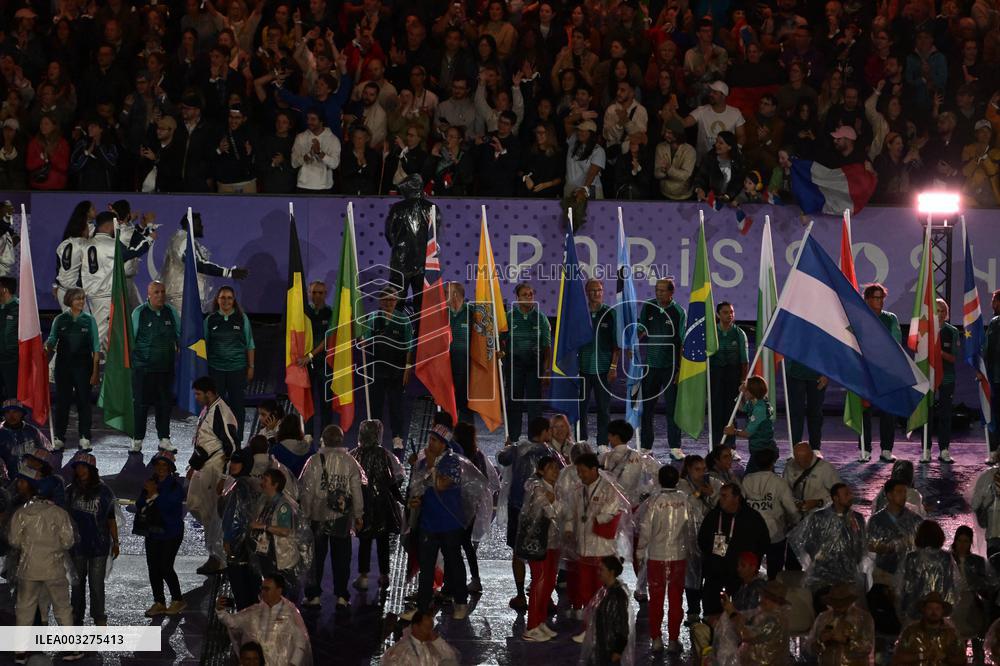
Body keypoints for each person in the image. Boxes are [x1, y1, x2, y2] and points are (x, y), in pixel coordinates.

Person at [403, 424, 486, 622]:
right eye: (429, 439)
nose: (429, 444)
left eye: (434, 440)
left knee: (454, 563)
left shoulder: (452, 463)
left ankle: (461, 602)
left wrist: (430, 464)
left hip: (450, 524)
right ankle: (423, 608)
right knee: (426, 567)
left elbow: (441, 485)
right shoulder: (423, 465)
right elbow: (419, 490)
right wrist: (415, 501)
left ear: (444, 445)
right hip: (428, 524)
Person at [8, 468, 82, 662]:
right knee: (62, 608)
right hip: (54, 568)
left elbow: (14, 540)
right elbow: (68, 541)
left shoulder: (22, 513)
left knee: (24, 609)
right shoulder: (59, 513)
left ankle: (20, 652)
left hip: (28, 569)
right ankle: (70, 649)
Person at [299, 424, 365, 609]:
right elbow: (356, 491)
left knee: (316, 559)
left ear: (323, 440)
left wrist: (305, 514)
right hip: (341, 517)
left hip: (318, 516)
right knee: (342, 558)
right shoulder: (350, 461)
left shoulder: (314, 461)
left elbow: (307, 491)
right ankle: (342, 596)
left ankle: (313, 596)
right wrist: (358, 515)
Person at [564, 452, 631, 625]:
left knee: (601, 589)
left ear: (594, 469)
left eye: (583, 471)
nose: (580, 475)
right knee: (585, 589)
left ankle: (603, 625)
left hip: (603, 548)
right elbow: (570, 512)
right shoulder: (578, 490)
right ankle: (589, 628)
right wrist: (569, 529)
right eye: (578, 471)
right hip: (583, 547)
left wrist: (597, 518)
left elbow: (612, 511)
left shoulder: (609, 489)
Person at [498, 416, 555, 611]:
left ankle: (521, 594)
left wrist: (508, 447)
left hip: (517, 509)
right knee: (539, 554)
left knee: (517, 552)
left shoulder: (517, 449)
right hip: (539, 511)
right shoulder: (549, 453)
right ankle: (543, 595)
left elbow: (501, 458)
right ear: (545, 432)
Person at [188, 375, 238, 576]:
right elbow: (204, 440)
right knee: (195, 506)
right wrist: (193, 465)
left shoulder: (222, 413)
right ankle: (216, 552)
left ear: (209, 393)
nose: (197, 397)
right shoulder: (209, 409)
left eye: (199, 394)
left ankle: (218, 558)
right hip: (204, 466)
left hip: (215, 469)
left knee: (214, 515)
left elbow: (232, 447)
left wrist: (224, 478)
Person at [81, 211, 153, 350]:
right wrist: (149, 239)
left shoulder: (86, 244)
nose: (117, 229)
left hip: (92, 294)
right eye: (115, 226)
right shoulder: (111, 244)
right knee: (98, 334)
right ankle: (62, 365)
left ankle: (108, 365)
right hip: (105, 295)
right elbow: (131, 253)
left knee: (108, 333)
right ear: (109, 226)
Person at [789, 483, 868, 608]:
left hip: (848, 575)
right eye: (846, 494)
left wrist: (851, 561)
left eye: (850, 493)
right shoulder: (819, 517)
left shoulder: (857, 518)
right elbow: (809, 544)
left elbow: (861, 545)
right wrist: (824, 559)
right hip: (823, 575)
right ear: (835, 498)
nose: (850, 496)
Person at [637, 464, 689, 654]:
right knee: (676, 600)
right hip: (678, 557)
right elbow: (691, 529)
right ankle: (674, 640)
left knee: (656, 600)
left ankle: (656, 639)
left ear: (659, 479)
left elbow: (644, 530)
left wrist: (640, 553)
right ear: (677, 480)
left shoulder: (654, 501)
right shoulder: (685, 500)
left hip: (657, 558)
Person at [697, 483, 770, 618]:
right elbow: (702, 540)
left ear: (736, 498)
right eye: (720, 496)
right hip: (716, 574)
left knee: (739, 615)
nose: (721, 499)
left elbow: (763, 542)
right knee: (712, 613)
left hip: (741, 577)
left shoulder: (752, 518)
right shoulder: (714, 516)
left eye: (725, 496)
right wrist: (712, 559)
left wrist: (752, 565)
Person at [352, 420, 406, 593]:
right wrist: (400, 499)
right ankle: (384, 575)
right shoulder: (383, 454)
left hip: (363, 504)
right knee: (383, 541)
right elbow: (391, 480)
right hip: (382, 504)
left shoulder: (355, 455)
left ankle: (364, 576)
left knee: (364, 540)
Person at [160, 212, 250, 315]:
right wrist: (228, 273)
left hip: (187, 296)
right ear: (190, 225)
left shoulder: (187, 240)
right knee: (185, 330)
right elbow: (197, 264)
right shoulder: (183, 240)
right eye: (199, 224)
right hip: (182, 298)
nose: (202, 227)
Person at [65, 452, 118, 626]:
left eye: (84, 466)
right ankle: (76, 614)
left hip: (99, 545)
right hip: (77, 545)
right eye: (77, 466)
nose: (80, 470)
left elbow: (111, 519)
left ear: (91, 469)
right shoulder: (70, 490)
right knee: (77, 583)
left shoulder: (104, 491)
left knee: (96, 585)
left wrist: (116, 542)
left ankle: (99, 616)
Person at [867, 478, 924, 636]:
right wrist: (884, 547)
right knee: (885, 622)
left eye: (905, 492)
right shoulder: (876, 520)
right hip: (884, 575)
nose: (904, 495)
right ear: (889, 495)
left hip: (908, 576)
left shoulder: (915, 520)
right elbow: (869, 545)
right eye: (899, 492)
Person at [217, 573, 313, 666]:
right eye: (262, 588)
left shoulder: (291, 614)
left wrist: (293, 664)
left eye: (267, 589)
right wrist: (221, 611)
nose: (263, 592)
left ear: (279, 591)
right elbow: (233, 622)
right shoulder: (254, 611)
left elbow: (301, 642)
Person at [45, 287, 99, 451]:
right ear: (70, 301)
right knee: (62, 403)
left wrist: (95, 372)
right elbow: (52, 340)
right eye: (77, 299)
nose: (81, 302)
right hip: (64, 367)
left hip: (84, 367)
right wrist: (45, 347)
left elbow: (96, 348)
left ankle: (84, 436)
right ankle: (60, 437)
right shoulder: (60, 320)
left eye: (82, 299)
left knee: (84, 402)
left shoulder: (89, 320)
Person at [362, 287, 414, 453]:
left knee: (395, 406)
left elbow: (409, 347)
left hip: (396, 371)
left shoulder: (403, 320)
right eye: (385, 300)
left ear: (396, 301)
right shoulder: (373, 318)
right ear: (380, 301)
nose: (389, 303)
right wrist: (363, 340)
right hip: (377, 369)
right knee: (375, 406)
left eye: (392, 300)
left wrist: (407, 368)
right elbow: (367, 339)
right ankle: (374, 438)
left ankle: (397, 437)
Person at [135, 451, 186, 617]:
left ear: (170, 468)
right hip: (153, 533)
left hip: (171, 533)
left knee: (165, 566)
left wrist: (153, 494)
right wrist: (149, 494)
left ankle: (177, 599)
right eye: (158, 465)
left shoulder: (175, 486)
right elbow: (140, 503)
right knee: (153, 568)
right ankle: (159, 602)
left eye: (165, 465)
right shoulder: (151, 483)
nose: (161, 468)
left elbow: (168, 506)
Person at [638, 277, 685, 458]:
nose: (658, 293)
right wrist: (631, 341)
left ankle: (675, 447)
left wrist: (680, 369)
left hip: (670, 368)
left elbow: (681, 343)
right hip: (651, 366)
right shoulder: (649, 306)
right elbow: (641, 330)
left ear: (671, 292)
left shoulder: (679, 312)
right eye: (657, 290)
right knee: (647, 408)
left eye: (662, 290)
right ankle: (646, 446)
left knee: (672, 408)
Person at [131, 280, 179, 452]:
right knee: (140, 405)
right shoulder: (139, 312)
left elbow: (180, 337)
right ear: (149, 295)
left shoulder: (171, 312)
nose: (160, 295)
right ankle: (137, 439)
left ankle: (164, 439)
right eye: (156, 292)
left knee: (164, 405)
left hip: (165, 369)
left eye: (162, 291)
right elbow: (131, 340)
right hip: (143, 369)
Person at [452, 420, 499, 595]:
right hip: (472, 507)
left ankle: (457, 582)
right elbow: (488, 480)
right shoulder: (477, 455)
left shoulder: (457, 456)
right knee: (466, 544)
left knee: (456, 545)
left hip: (457, 506)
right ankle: (473, 579)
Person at [502, 283, 552, 442]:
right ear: (517, 298)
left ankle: (535, 439)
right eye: (525, 294)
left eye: (531, 294)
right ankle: (513, 439)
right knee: (514, 402)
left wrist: (547, 371)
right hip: (514, 366)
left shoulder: (540, 317)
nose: (529, 297)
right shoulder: (509, 317)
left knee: (534, 405)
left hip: (534, 367)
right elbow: (501, 343)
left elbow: (547, 347)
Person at [520, 455, 562, 642]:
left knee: (549, 582)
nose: (555, 471)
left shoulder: (553, 489)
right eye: (550, 467)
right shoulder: (538, 489)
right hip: (539, 543)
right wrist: (558, 504)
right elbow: (552, 512)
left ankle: (541, 621)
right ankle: (532, 626)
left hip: (553, 542)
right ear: (541, 471)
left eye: (556, 467)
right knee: (540, 582)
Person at [205, 286, 255, 443]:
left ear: (234, 300)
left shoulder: (242, 319)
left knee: (237, 408)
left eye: (229, 298)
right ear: (217, 300)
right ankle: (217, 439)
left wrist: (251, 367)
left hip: (237, 370)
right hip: (216, 370)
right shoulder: (210, 320)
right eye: (222, 297)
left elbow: (250, 344)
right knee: (216, 408)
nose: (226, 301)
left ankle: (236, 440)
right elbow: (203, 346)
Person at [741, 448, 799, 580]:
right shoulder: (779, 482)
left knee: (751, 571)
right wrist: (796, 522)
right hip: (775, 533)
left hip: (752, 533)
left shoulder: (747, 480)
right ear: (773, 463)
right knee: (775, 573)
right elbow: (791, 509)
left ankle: (750, 596)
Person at [384, 174, 441, 305]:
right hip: (425, 261)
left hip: (400, 260)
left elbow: (389, 232)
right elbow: (435, 235)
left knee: (396, 301)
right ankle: (419, 326)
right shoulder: (432, 208)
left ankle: (395, 326)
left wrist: (399, 247)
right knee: (422, 304)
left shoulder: (397, 208)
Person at [860, 283, 901, 463]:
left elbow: (895, 344)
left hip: (886, 373)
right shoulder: (858, 318)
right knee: (864, 412)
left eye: (881, 298)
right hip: (865, 372)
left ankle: (886, 449)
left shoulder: (891, 318)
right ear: (867, 299)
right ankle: (865, 449)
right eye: (876, 298)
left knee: (888, 413)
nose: (880, 301)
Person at [680, 454, 723, 624]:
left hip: (716, 534)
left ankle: (711, 610)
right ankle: (693, 611)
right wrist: (700, 492)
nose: (701, 473)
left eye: (704, 469)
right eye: (697, 469)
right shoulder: (682, 484)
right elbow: (685, 502)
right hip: (691, 535)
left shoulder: (714, 482)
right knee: (693, 575)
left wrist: (711, 494)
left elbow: (722, 501)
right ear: (689, 469)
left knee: (715, 573)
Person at [578, 279, 619, 448]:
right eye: (593, 290)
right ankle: (581, 441)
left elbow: (617, 345)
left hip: (603, 370)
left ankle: (602, 444)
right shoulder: (579, 313)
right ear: (586, 293)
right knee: (581, 408)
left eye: (599, 290)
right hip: (583, 369)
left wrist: (613, 367)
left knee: (604, 409)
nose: (596, 293)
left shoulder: (610, 313)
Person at [896, 520, 961, 624]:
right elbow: (950, 586)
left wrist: (904, 608)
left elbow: (906, 586)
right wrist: (948, 608)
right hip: (939, 610)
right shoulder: (946, 558)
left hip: (915, 609)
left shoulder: (912, 558)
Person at [221, 448, 261, 611]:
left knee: (240, 585)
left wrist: (228, 539)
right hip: (249, 543)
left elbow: (234, 517)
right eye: (232, 461)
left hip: (238, 545)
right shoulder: (250, 483)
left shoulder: (240, 486)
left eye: (237, 462)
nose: (232, 465)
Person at [720, 579, 792, 665]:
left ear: (777, 602)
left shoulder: (774, 620)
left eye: (767, 598)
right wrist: (731, 610)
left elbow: (746, 635)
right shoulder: (768, 615)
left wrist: (732, 613)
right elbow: (747, 623)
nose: (762, 600)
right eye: (764, 596)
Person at [578, 555, 632, 663]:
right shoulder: (605, 591)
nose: (598, 572)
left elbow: (622, 626)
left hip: (609, 651)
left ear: (611, 572)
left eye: (602, 569)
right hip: (601, 647)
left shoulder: (617, 596)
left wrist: (618, 651)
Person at [807, 583, 876, 665]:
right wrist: (820, 640)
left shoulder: (863, 617)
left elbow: (868, 647)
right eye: (834, 603)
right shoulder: (823, 618)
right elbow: (810, 647)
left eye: (842, 603)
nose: (837, 607)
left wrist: (847, 640)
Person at [925, 298, 959, 463]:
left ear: (947, 314)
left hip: (947, 378)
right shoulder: (925, 330)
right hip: (929, 377)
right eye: (936, 310)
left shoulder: (952, 331)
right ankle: (926, 449)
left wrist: (938, 352)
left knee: (945, 414)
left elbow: (953, 358)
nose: (939, 314)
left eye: (942, 311)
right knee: (928, 413)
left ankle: (944, 449)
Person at [951, 525, 994, 653]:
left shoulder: (978, 561)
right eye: (959, 541)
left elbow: (986, 584)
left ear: (970, 542)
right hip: (955, 602)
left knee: (976, 635)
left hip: (973, 602)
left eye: (966, 541)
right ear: (955, 541)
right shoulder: (948, 560)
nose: (962, 545)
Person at [711, 301, 748, 448]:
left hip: (733, 375)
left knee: (731, 411)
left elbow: (744, 361)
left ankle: (730, 447)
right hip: (715, 375)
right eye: (726, 312)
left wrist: (743, 381)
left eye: (731, 312)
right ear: (718, 315)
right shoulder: (712, 332)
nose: (729, 315)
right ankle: (716, 445)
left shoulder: (739, 333)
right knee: (716, 411)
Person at [891, 591, 966, 665]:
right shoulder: (911, 631)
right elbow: (898, 657)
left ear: (942, 611)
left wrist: (945, 657)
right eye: (930, 608)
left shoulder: (951, 634)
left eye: (937, 609)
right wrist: (922, 656)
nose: (934, 612)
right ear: (924, 610)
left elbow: (962, 659)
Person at [299, 281, 332, 440]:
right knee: (308, 401)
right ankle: (308, 434)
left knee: (326, 402)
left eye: (320, 293)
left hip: (325, 363)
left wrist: (310, 355)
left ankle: (326, 436)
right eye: (313, 292)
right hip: (305, 365)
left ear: (326, 294)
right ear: (308, 293)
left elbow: (328, 338)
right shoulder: (303, 313)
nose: (316, 296)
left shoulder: (330, 312)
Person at [723, 376, 777, 473]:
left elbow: (748, 433)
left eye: (747, 390)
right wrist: (741, 393)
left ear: (753, 392)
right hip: (757, 448)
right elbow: (741, 408)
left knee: (749, 478)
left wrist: (734, 432)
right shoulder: (754, 402)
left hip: (763, 451)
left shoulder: (760, 409)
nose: (745, 391)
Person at [682, 79, 745, 159]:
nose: (710, 94)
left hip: (724, 161)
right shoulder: (701, 110)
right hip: (702, 162)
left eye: (715, 93)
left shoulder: (735, 113)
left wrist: (737, 151)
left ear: (723, 96)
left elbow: (741, 136)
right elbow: (684, 123)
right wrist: (672, 113)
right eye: (711, 91)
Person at [381, 610, 461, 665]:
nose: (429, 631)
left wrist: (437, 641)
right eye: (426, 627)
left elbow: (451, 658)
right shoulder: (401, 650)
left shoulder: (432, 645)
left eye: (430, 627)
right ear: (416, 627)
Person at [291, 109, 341, 193]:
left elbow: (335, 164)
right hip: (303, 185)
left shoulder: (333, 139)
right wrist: (309, 154)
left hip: (325, 187)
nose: (309, 122)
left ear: (321, 121)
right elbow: (294, 163)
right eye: (308, 119)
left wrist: (319, 153)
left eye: (313, 119)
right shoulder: (300, 137)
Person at [54, 203, 91, 312]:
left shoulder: (62, 244)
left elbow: (58, 267)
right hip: (76, 292)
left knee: (69, 322)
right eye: (88, 229)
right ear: (83, 230)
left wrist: (55, 285)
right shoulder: (85, 245)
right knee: (84, 322)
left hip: (62, 290)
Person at [785, 360, 828, 452]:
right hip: (795, 372)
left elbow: (830, 348)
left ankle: (815, 448)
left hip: (818, 373)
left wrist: (826, 373)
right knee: (796, 412)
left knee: (815, 411)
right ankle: (795, 448)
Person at [0, 399, 49, 477]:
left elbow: (48, 454)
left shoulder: (33, 432)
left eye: (15, 412)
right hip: (6, 482)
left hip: (32, 480)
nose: (11, 416)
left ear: (21, 413)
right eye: (7, 412)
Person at [446, 282, 473, 423]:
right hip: (445, 365)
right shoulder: (442, 312)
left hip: (466, 366)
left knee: (465, 404)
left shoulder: (472, 311)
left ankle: (466, 439)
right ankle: (446, 439)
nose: (444, 294)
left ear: (455, 295)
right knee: (447, 403)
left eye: (447, 292)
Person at [987, 290, 1000, 462]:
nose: (992, 304)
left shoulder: (995, 323)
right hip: (995, 377)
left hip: (996, 378)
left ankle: (994, 452)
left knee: (995, 416)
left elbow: (988, 350)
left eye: (994, 301)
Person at [0, 276, 18, 402]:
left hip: (12, 361)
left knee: (13, 397)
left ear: (4, 289)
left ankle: (13, 421)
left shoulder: (20, 308)